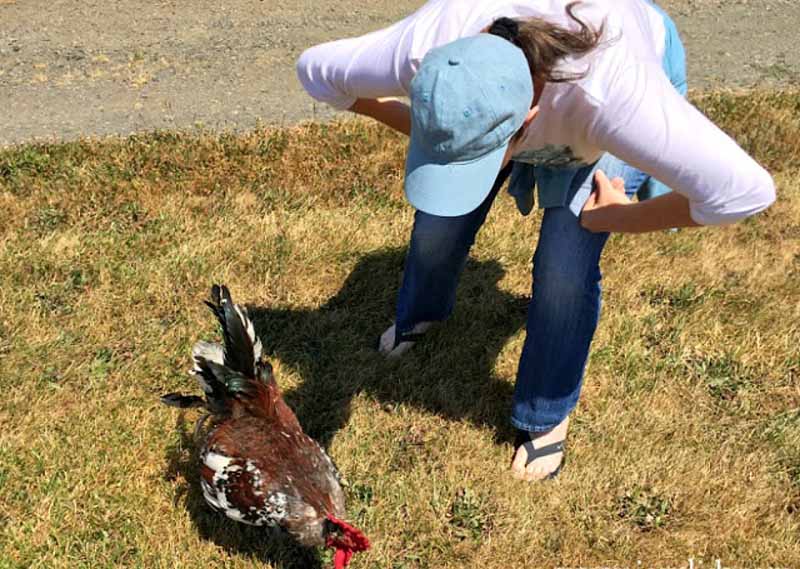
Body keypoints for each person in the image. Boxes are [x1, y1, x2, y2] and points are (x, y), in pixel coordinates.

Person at [296, 0, 775, 481]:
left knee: (564, 267)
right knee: (438, 224)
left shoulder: (615, 98)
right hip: (540, 108)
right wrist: (443, 141)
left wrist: (615, 216)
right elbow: (316, 72)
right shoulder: (423, 44)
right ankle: (419, 313)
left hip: (604, 75)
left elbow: (743, 193)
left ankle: (545, 413)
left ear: (527, 121)